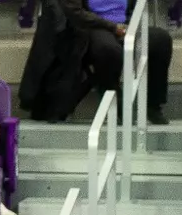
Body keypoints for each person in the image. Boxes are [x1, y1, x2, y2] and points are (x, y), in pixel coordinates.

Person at [21, 0, 171, 124]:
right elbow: (76, 14)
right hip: (92, 26)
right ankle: (116, 102)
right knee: (108, 50)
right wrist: (113, 27)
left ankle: (153, 105)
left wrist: (128, 27)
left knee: (161, 40)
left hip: (126, 25)